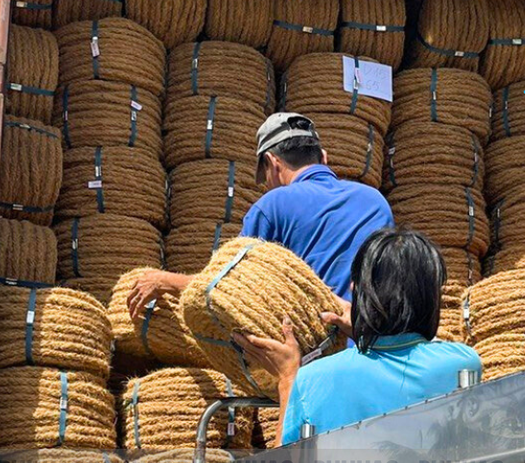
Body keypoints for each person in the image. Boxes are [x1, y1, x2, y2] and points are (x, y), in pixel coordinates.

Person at [233, 228, 483, 447]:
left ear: (357, 290)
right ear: (432, 297)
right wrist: (374, 327)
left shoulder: (312, 379)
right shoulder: (463, 363)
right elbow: (418, 351)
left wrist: (288, 378)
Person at [128, 113, 394, 318]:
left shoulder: (273, 206)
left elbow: (234, 286)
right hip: (374, 347)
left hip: (316, 356)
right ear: (323, 157)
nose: (266, 184)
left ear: (272, 162)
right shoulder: (375, 201)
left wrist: (166, 281)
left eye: (264, 175)